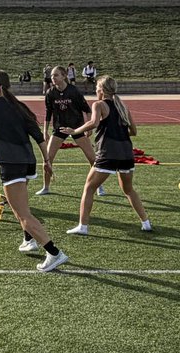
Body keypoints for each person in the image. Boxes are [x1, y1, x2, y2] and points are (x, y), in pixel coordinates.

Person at [0, 70, 68, 273]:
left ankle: (54, 253)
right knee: (21, 206)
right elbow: (39, 138)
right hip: (27, 162)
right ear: (8, 87)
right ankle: (28, 239)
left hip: (10, 163)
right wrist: (47, 160)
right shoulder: (20, 106)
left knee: (21, 213)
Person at [64, 75, 153, 235]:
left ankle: (83, 226)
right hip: (126, 153)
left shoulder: (99, 104)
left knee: (89, 188)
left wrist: (75, 131)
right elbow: (133, 131)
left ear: (102, 90)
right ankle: (146, 222)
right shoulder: (123, 107)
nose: (95, 90)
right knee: (129, 190)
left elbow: (94, 123)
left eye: (97, 88)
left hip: (108, 153)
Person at [36, 65, 104, 198]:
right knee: (47, 159)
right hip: (59, 129)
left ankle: (99, 186)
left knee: (92, 159)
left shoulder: (74, 91)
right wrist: (45, 131)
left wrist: (88, 127)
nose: (53, 78)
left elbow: (87, 109)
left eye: (56, 75)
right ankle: (46, 187)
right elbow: (48, 113)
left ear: (64, 76)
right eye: (51, 76)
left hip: (76, 129)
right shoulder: (50, 93)